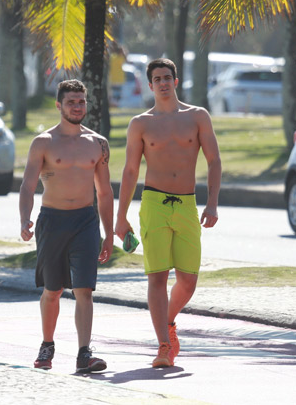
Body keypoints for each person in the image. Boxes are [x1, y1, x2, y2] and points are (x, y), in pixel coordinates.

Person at [114, 58, 222, 368]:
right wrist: (121, 218)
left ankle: (168, 321)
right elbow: (131, 170)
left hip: (186, 203)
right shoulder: (141, 123)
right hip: (154, 204)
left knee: (188, 281)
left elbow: (214, 161)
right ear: (149, 85)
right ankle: (163, 344)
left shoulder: (198, 117)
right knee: (157, 277)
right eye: (156, 79)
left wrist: (212, 202)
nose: (162, 82)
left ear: (175, 81)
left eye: (167, 77)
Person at [19, 79, 114, 373]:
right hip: (52, 221)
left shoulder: (98, 144)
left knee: (84, 289)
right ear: (59, 105)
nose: (77, 107)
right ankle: (47, 344)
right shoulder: (44, 142)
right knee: (54, 289)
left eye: (81, 102)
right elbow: (27, 185)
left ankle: (84, 353)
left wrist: (109, 233)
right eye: (71, 102)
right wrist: (25, 218)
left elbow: (105, 191)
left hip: (86, 221)